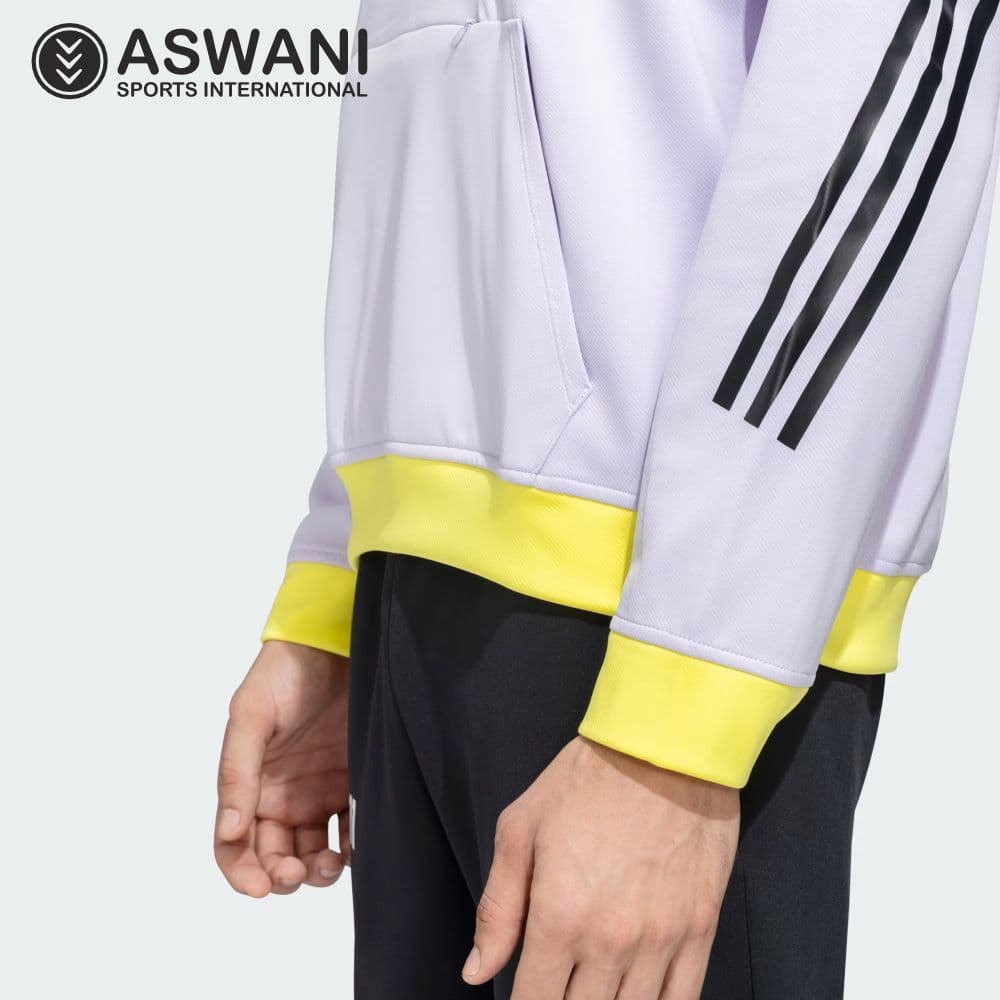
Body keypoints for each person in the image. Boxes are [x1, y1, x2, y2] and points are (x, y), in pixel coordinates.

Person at [214, 2, 1000, 997]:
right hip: (410, 606)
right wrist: (339, 574)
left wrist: (684, 708)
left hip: (666, 622)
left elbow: (891, 87)